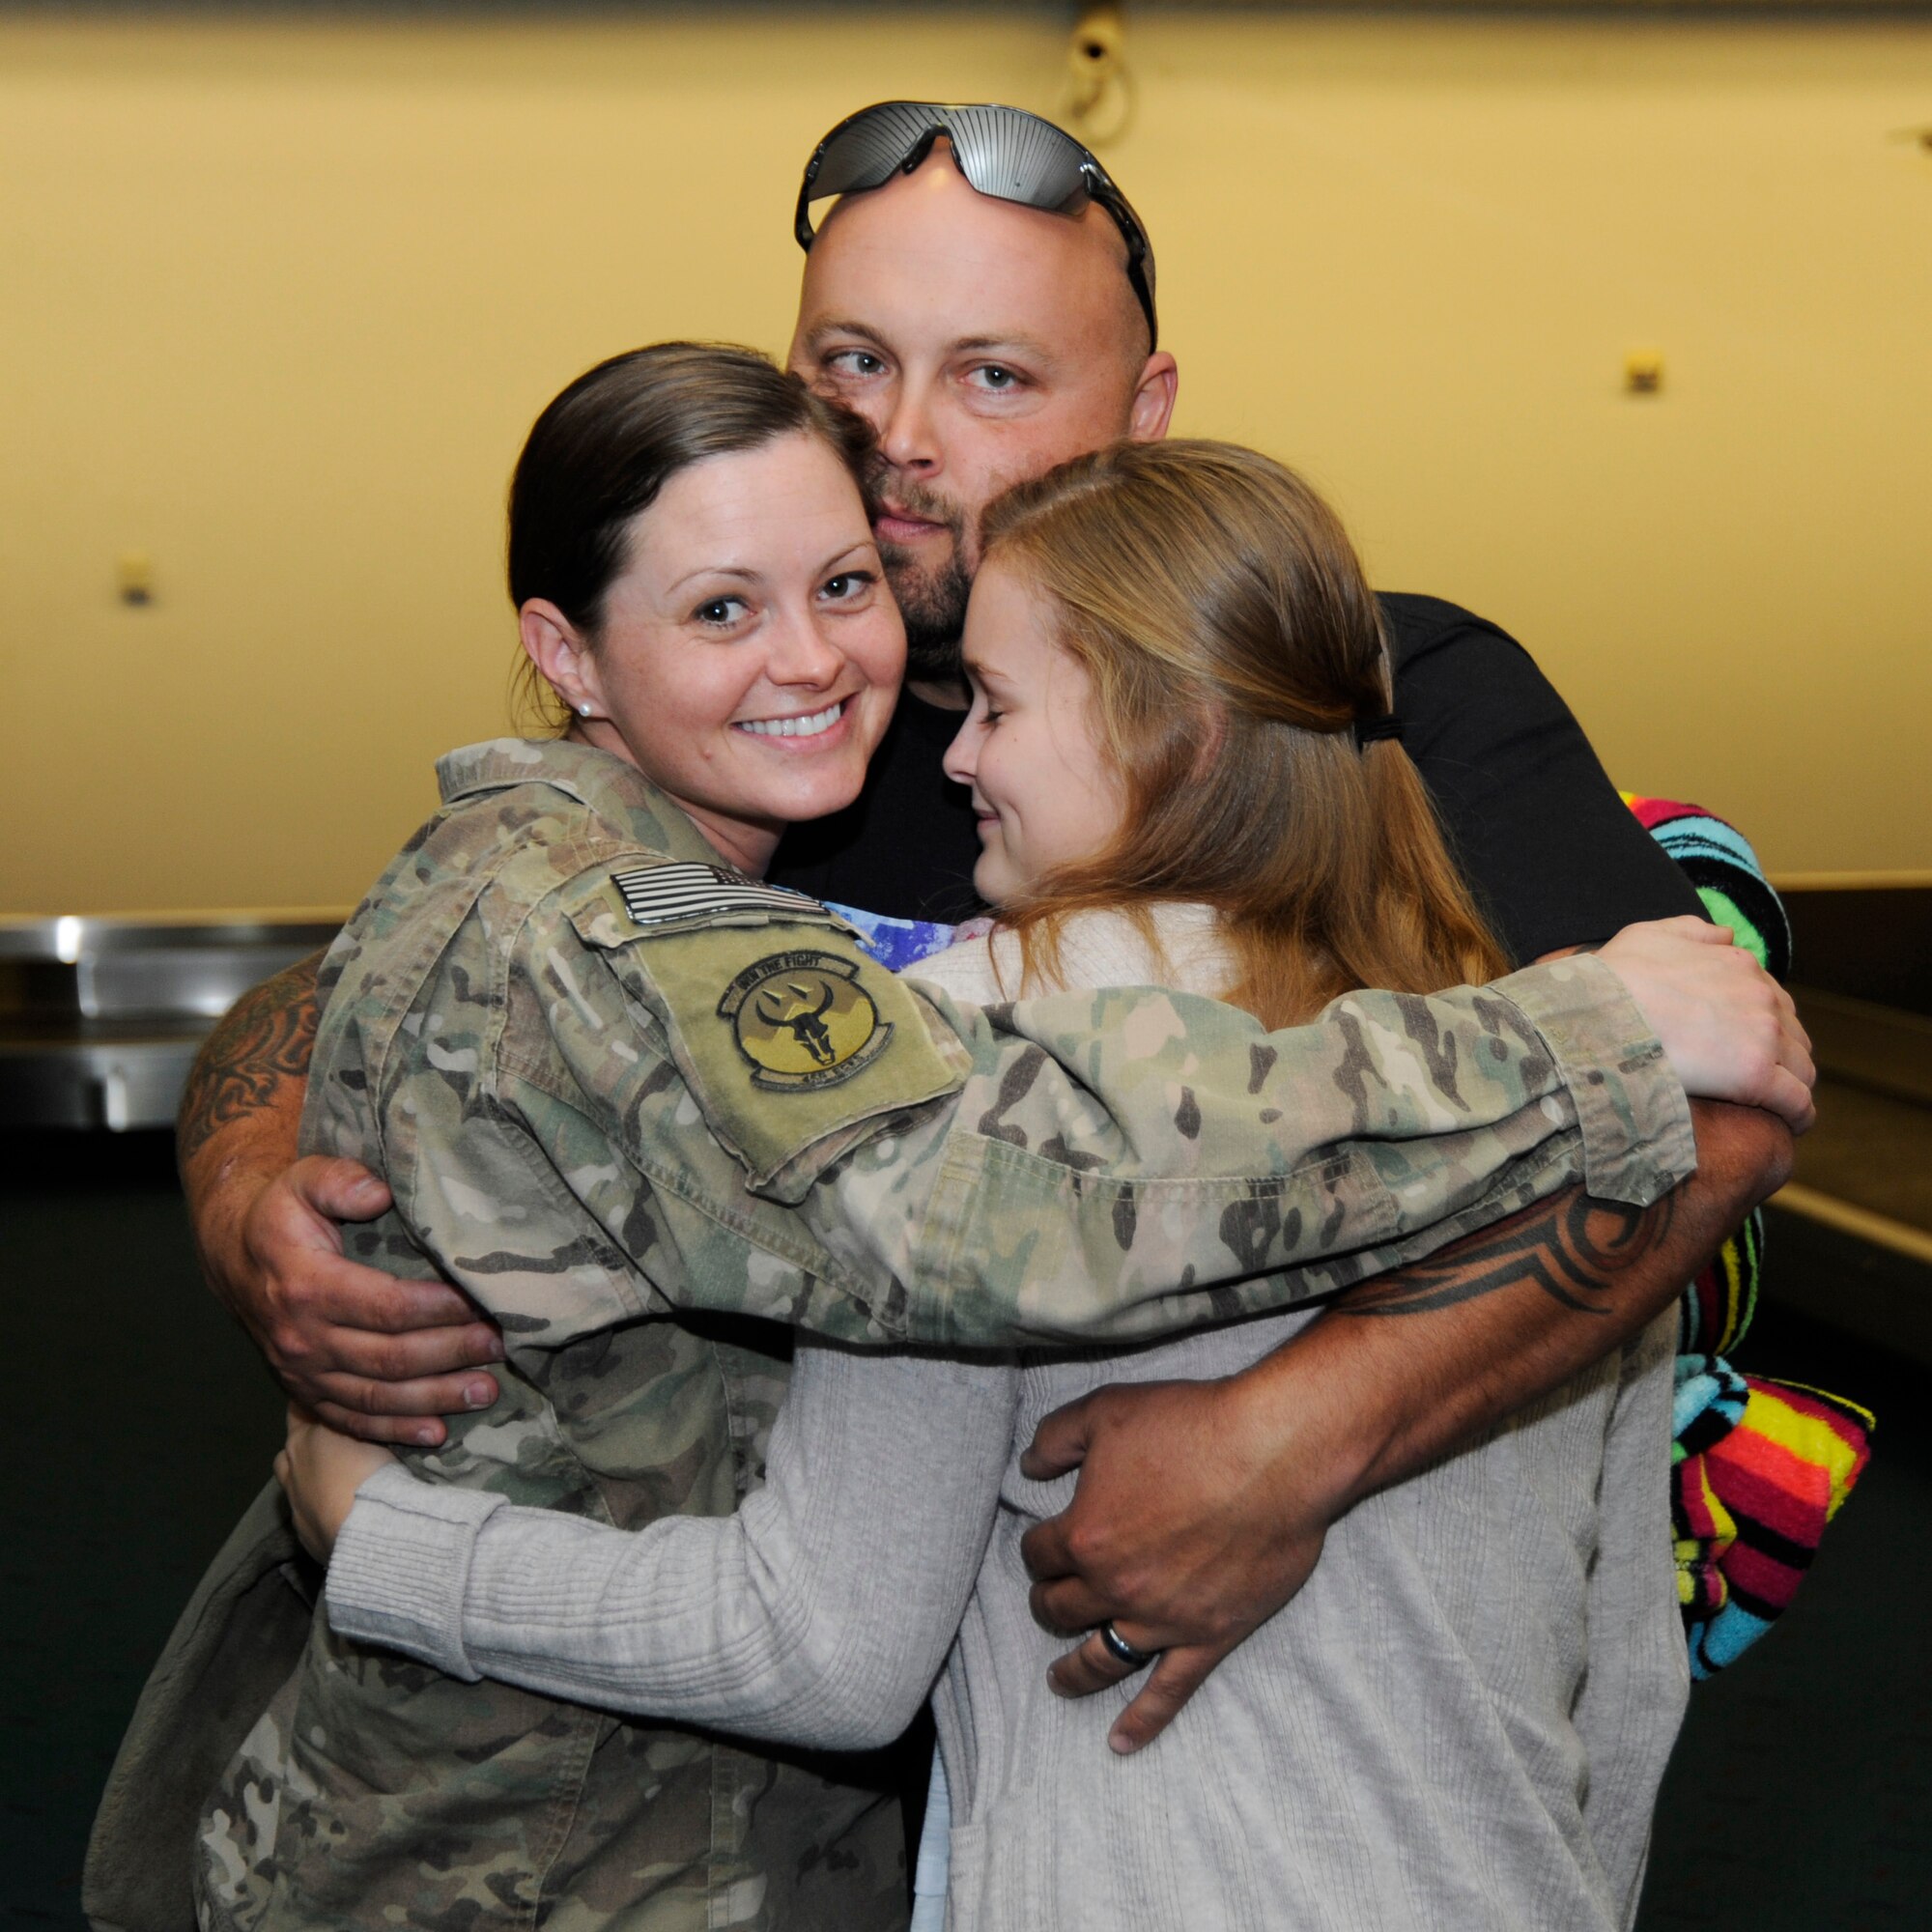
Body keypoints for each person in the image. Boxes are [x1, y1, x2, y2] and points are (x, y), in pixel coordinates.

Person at [154, 101, 1805, 1907]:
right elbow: (403, 990)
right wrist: (249, 1182)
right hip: (737, 1789)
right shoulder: (779, 733)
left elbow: (1712, 1114)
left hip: (1173, 1764)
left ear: (1149, 413)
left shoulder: (1371, 698)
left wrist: (1290, 1442)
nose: (904, 446)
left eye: (995, 376)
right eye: (851, 366)